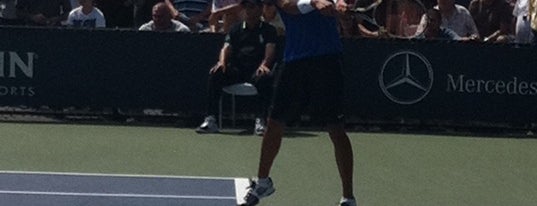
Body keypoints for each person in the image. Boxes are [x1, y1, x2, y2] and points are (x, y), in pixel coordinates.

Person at [239, 0, 356, 205]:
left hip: (327, 61)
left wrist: (342, 8)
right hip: (295, 62)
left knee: (336, 129)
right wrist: (314, 2)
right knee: (274, 123)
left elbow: (340, 5)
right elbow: (288, 5)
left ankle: (348, 197)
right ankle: (263, 182)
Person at [195, 0, 277, 135]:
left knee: (265, 77)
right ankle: (211, 120)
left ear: (260, 8)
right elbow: (226, 48)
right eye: (246, 7)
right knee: (216, 73)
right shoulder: (235, 29)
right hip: (237, 70)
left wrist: (264, 64)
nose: (248, 10)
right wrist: (222, 62)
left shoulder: (269, 30)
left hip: (256, 70)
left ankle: (260, 121)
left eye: (252, 6)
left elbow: (270, 49)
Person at [416, 0, 480, 39]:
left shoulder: (463, 13)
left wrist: (472, 39)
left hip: (460, 51)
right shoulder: (429, 16)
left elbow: (475, 34)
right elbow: (418, 37)